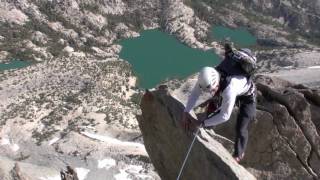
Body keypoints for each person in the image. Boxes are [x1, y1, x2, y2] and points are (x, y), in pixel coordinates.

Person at [182, 46, 256, 163]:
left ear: (217, 83)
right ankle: (209, 127)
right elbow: (195, 93)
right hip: (226, 89)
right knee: (213, 104)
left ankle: (239, 154)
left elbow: (225, 116)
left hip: (247, 95)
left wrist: (201, 123)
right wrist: (186, 112)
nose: (210, 92)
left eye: (212, 89)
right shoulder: (208, 76)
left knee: (242, 126)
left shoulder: (230, 88)